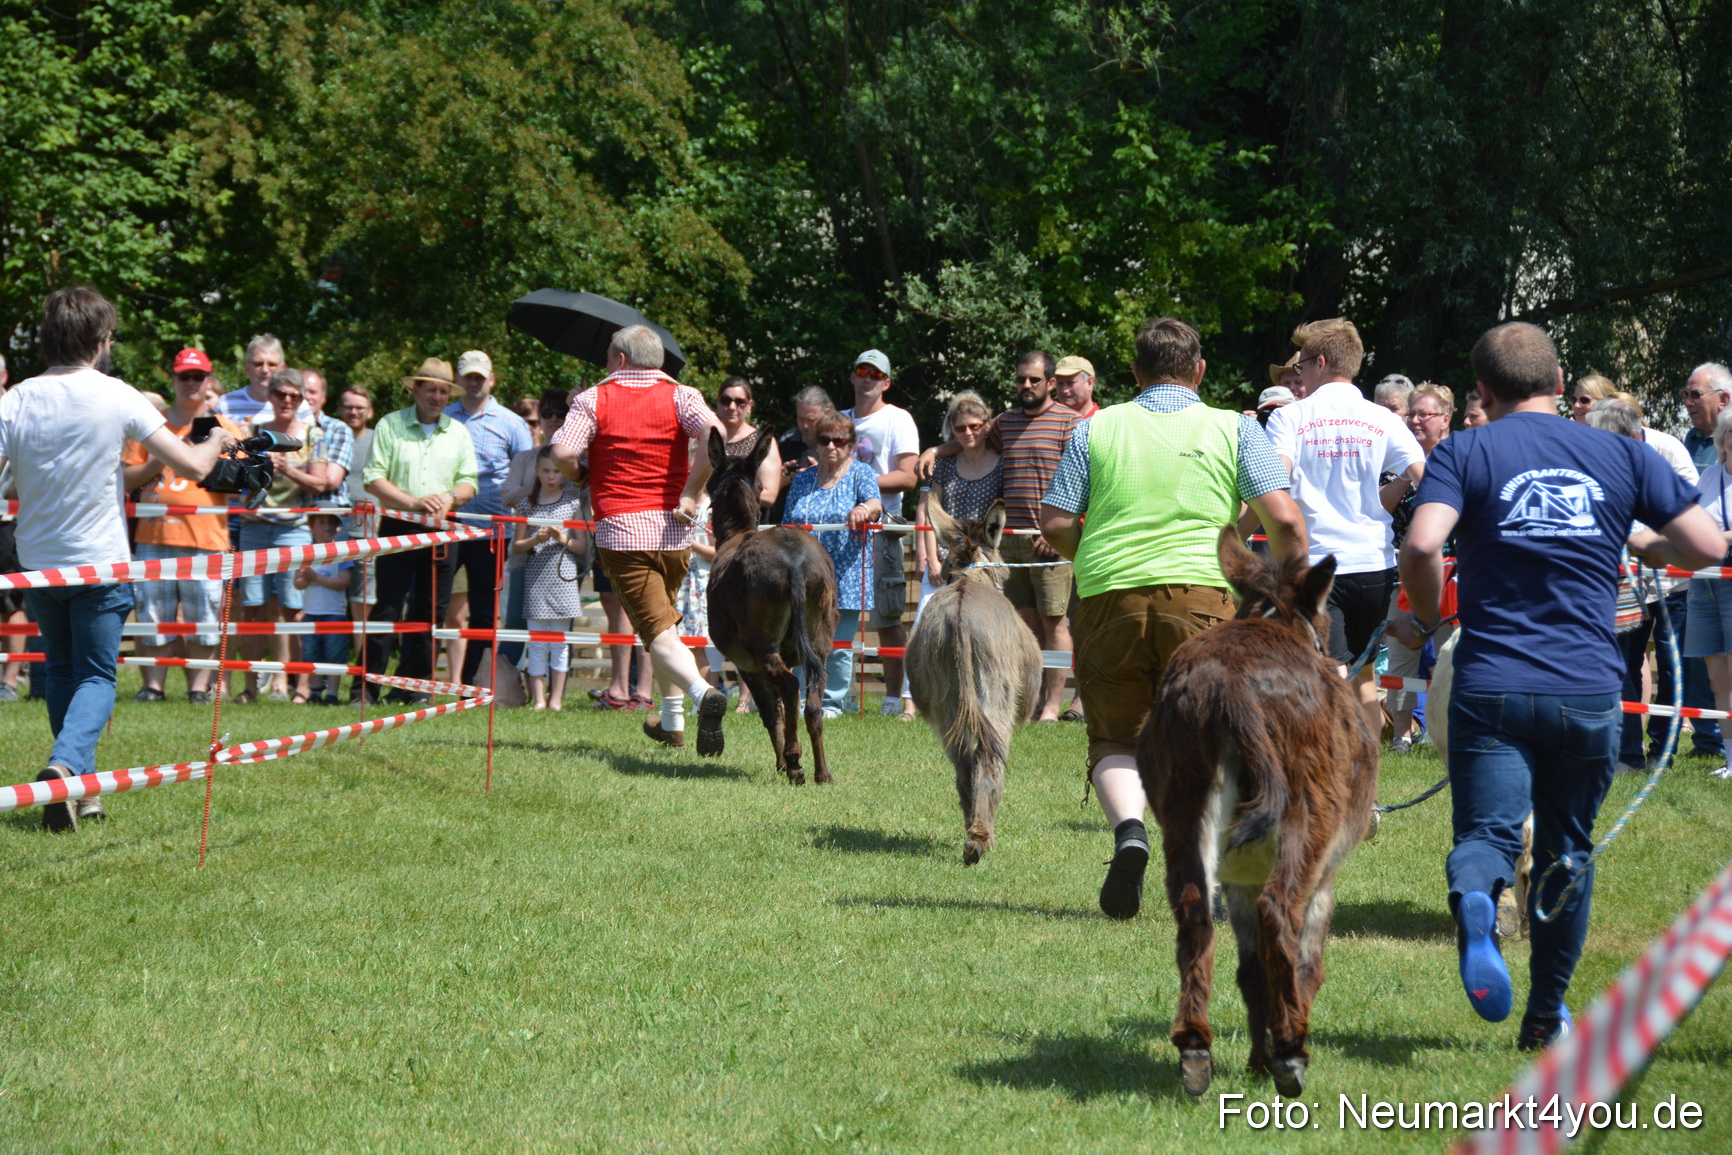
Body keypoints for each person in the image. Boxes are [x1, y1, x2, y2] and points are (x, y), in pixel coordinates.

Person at [1398, 321, 1720, 1049]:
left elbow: (1422, 543)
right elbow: (1705, 545)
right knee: (1567, 847)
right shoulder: (1616, 450)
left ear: (1480, 392)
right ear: (1558, 378)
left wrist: (1425, 611)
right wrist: (1632, 537)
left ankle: (1480, 899)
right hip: (1587, 685)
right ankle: (1546, 1015)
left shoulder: (1465, 448)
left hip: (1491, 678)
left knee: (1487, 832)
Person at [1040, 315, 1305, 919]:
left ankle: (1130, 832)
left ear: (1134, 374)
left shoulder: (1094, 428)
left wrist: (1097, 557)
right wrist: (1290, 593)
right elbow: (1285, 521)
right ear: (1200, 371)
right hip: (1204, 596)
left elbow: (1055, 521)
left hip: (1109, 594)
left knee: (1115, 733)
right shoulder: (1235, 429)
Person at [0, 287, 235, 831]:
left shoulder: (15, 400)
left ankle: (82, 791)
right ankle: (65, 772)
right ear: (100, 340)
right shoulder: (118, 395)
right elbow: (195, 466)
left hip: (39, 560)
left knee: (62, 669)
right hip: (100, 561)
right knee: (98, 676)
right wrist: (217, 437)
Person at [549, 324, 730, 752]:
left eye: (609, 357)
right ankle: (672, 725)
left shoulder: (594, 398)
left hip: (622, 531)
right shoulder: (682, 394)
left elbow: (560, 453)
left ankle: (704, 694)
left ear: (622, 359)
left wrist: (581, 476)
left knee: (658, 633)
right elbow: (716, 434)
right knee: (662, 628)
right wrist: (690, 490)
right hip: (674, 531)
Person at [1264, 317, 1425, 738]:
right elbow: (1425, 475)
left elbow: (1274, 484)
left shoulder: (1290, 418)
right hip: (1374, 565)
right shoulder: (1384, 419)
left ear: (1320, 362)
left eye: (1300, 368)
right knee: (1364, 678)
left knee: (1330, 678)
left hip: (1318, 566)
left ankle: (1336, 783)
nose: (1298, 377)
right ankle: (1364, 792)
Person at [921, 351, 1083, 721]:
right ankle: (1028, 700)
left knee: (1054, 622)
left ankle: (1052, 707)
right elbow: (970, 438)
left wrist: (1064, 526)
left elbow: (1084, 478)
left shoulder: (1070, 423)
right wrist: (935, 449)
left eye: (1034, 380)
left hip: (1050, 540)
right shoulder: (1005, 423)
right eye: (1021, 380)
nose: (1026, 386)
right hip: (1006, 542)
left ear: (1051, 383)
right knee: (1023, 624)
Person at [121, 347, 246, 703]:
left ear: (208, 381)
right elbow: (126, 479)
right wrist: (164, 456)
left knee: (204, 618)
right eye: (184, 376)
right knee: (152, 615)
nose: (191, 383)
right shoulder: (150, 422)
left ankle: (198, 690)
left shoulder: (225, 427)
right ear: (173, 379)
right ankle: (153, 688)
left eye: (198, 377)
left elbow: (238, 482)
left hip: (206, 536)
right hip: (154, 533)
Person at [360, 357, 478, 704]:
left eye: (443, 391)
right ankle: (366, 688)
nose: (437, 397)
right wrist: (413, 503)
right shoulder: (390, 425)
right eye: (431, 390)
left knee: (430, 612)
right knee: (387, 607)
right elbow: (373, 478)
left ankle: (415, 689)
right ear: (415, 390)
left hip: (443, 529)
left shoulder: (458, 432)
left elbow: (469, 482)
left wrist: (449, 496)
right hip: (398, 525)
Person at [782, 411, 885, 717]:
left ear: (850, 444)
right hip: (803, 573)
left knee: (837, 646)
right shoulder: (801, 481)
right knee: (801, 639)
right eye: (824, 440)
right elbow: (788, 524)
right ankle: (800, 699)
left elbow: (876, 504)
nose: (831, 446)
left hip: (845, 573)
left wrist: (864, 508)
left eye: (838, 441)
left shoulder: (861, 474)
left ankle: (831, 703)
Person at [236, 368, 328, 702]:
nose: (286, 401)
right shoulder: (253, 432)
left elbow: (322, 483)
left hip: (293, 529)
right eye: (280, 395)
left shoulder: (312, 435)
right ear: (270, 397)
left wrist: (288, 469)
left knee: (292, 607)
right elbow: (236, 483)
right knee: (252, 607)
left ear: (303, 399)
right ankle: (251, 686)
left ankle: (298, 686)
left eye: (294, 396)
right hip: (254, 528)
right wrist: (257, 470)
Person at [445, 349, 534, 687]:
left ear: (491, 380)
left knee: (484, 611)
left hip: (494, 531)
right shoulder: (445, 418)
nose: (473, 382)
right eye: (467, 375)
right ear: (457, 379)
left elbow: (527, 477)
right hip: (448, 528)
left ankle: (476, 683)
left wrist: (522, 522)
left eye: (479, 377)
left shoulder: (512, 423)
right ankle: (421, 683)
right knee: (438, 605)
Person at [839, 350, 920, 718]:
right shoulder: (838, 421)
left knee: (888, 614)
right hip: (842, 526)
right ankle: (835, 697)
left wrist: (858, 481)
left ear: (886, 382)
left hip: (884, 526)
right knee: (839, 612)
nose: (868, 378)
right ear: (852, 377)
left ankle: (891, 698)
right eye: (862, 371)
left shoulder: (898, 419)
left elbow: (908, 475)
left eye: (876, 373)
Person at [1662, 361, 1732, 762]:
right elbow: (1689, 518)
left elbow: (1706, 533)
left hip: (1726, 577)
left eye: (1694, 394)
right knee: (1716, 676)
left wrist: (1712, 540)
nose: (1686, 402)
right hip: (1703, 583)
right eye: (1728, 434)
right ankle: (1726, 754)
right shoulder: (1707, 474)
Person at [1384, 383, 1456, 751]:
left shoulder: (1460, 458)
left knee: (1449, 659)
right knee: (1400, 660)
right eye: (1411, 414)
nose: (1415, 421)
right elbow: (1381, 507)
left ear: (1445, 418)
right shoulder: (1397, 458)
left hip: (1451, 578)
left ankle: (1447, 733)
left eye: (1423, 414)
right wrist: (1404, 473)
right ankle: (1401, 735)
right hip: (1404, 575)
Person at [512, 444, 587, 710]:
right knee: (537, 642)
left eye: (557, 471)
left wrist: (562, 538)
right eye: (546, 471)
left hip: (563, 578)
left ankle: (556, 699)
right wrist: (537, 537)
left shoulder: (572, 502)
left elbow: (582, 547)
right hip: (535, 580)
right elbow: (517, 547)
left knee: (560, 642)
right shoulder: (526, 505)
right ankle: (539, 699)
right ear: (536, 472)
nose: (552, 476)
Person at [916, 392, 1001, 613]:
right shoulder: (943, 465)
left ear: (986, 426)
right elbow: (930, 512)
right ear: (953, 431)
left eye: (974, 426)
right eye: (960, 428)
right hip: (945, 558)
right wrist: (931, 559)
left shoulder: (1001, 465)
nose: (968, 432)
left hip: (984, 560)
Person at [292, 513, 353, 705]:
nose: (326, 526)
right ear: (311, 526)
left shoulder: (341, 552)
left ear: (338, 527)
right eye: (321, 522)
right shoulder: (306, 553)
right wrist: (306, 578)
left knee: (334, 656)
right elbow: (298, 583)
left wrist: (315, 578)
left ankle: (333, 694)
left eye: (331, 523)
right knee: (311, 655)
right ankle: (316, 691)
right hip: (311, 613)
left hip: (335, 614)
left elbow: (344, 582)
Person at [769, 386, 834, 526]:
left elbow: (846, 483)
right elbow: (768, 491)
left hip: (823, 525)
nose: (804, 426)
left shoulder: (838, 444)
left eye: (811, 420)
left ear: (827, 413)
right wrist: (781, 479)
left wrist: (816, 473)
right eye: (800, 419)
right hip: (786, 524)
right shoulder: (786, 441)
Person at [715, 377, 782, 507]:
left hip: (749, 522)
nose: (732, 407)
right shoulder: (701, 439)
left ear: (749, 405)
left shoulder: (761, 442)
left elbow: (769, 495)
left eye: (740, 402)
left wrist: (723, 495)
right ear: (718, 402)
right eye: (726, 400)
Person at [299, 368, 354, 508]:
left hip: (329, 515)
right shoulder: (281, 427)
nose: (307, 396)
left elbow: (331, 480)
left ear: (323, 398)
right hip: (291, 514)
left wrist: (287, 470)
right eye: (302, 391)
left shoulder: (338, 429)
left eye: (313, 392)